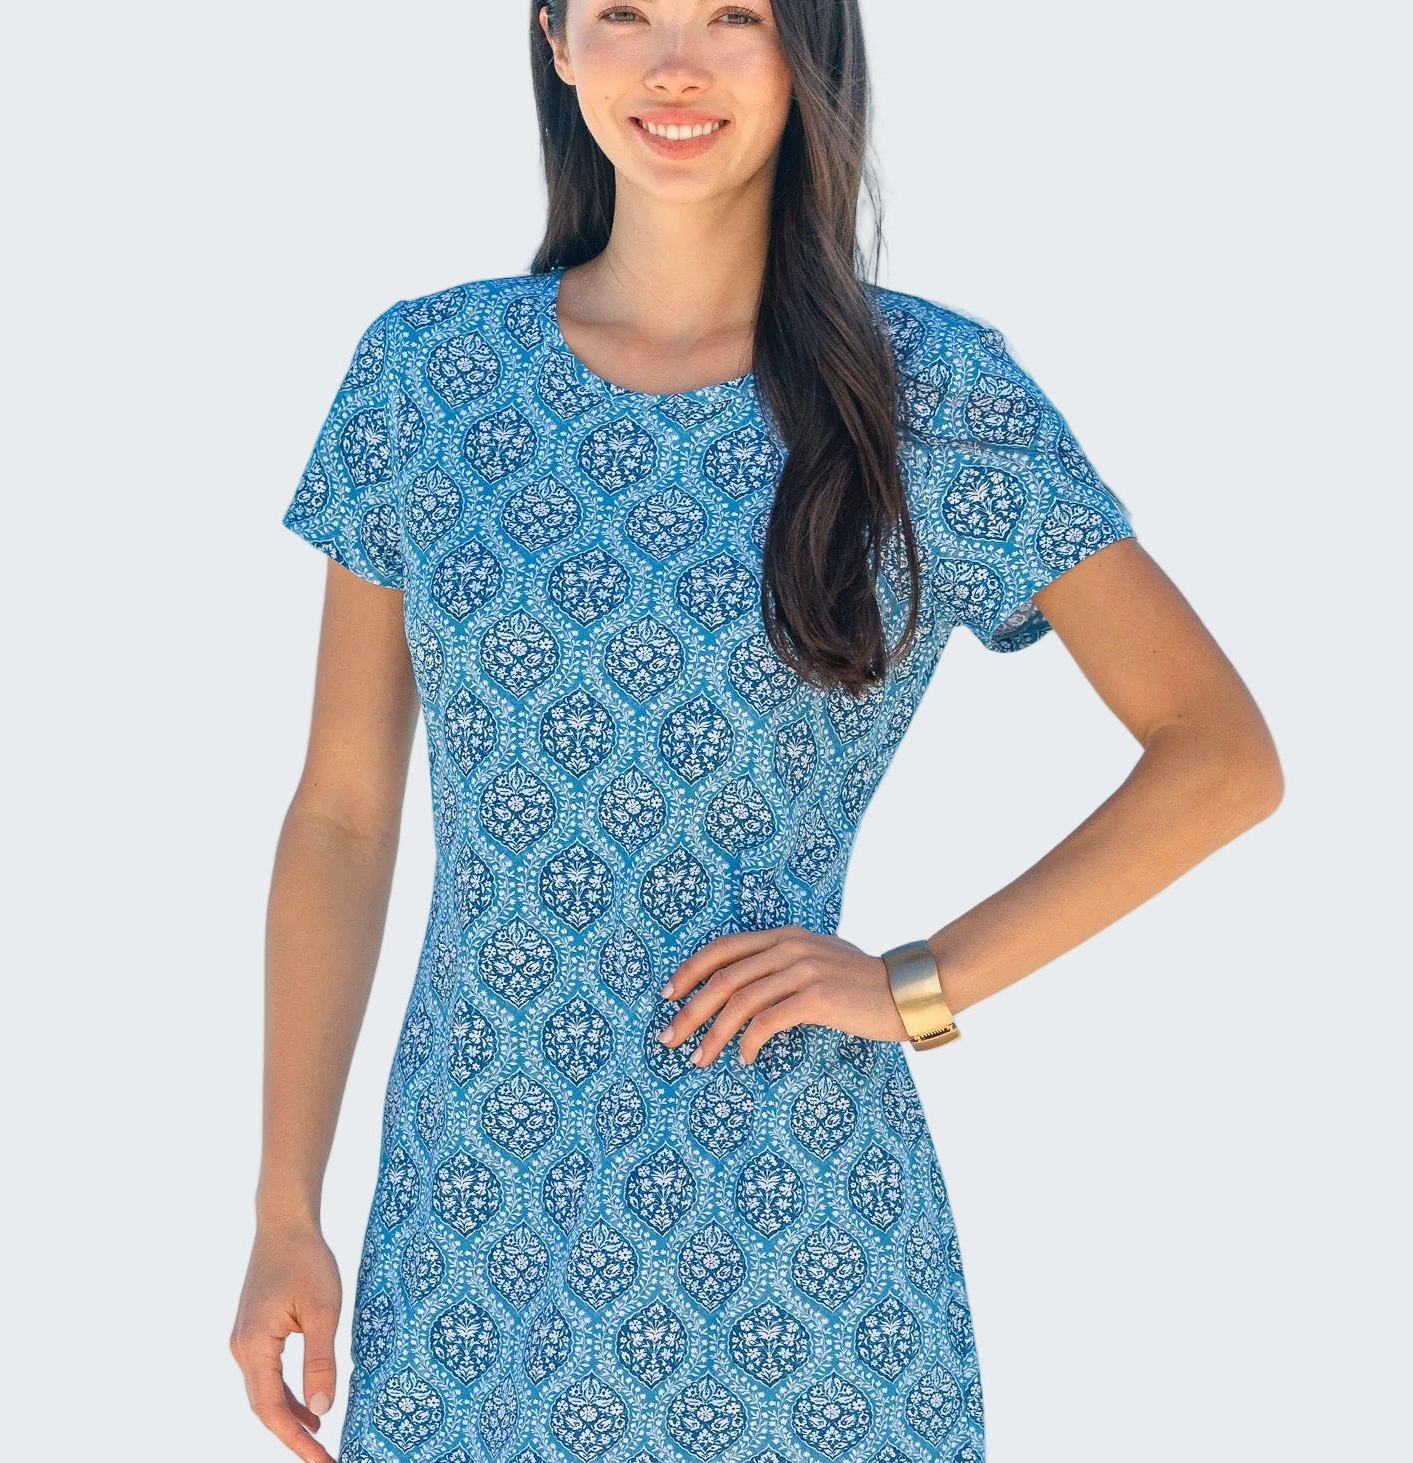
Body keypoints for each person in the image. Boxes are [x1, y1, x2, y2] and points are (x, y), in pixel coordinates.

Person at [230, 3, 1284, 1460]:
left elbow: (1221, 753)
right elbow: (342, 813)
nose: (676, 64)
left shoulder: (930, 394)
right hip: (478, 1214)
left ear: (809, 48)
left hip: (800, 1237)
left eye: (735, 13)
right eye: (625, 12)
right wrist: (285, 1207)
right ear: (555, 40)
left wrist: (920, 984)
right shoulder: (427, 377)